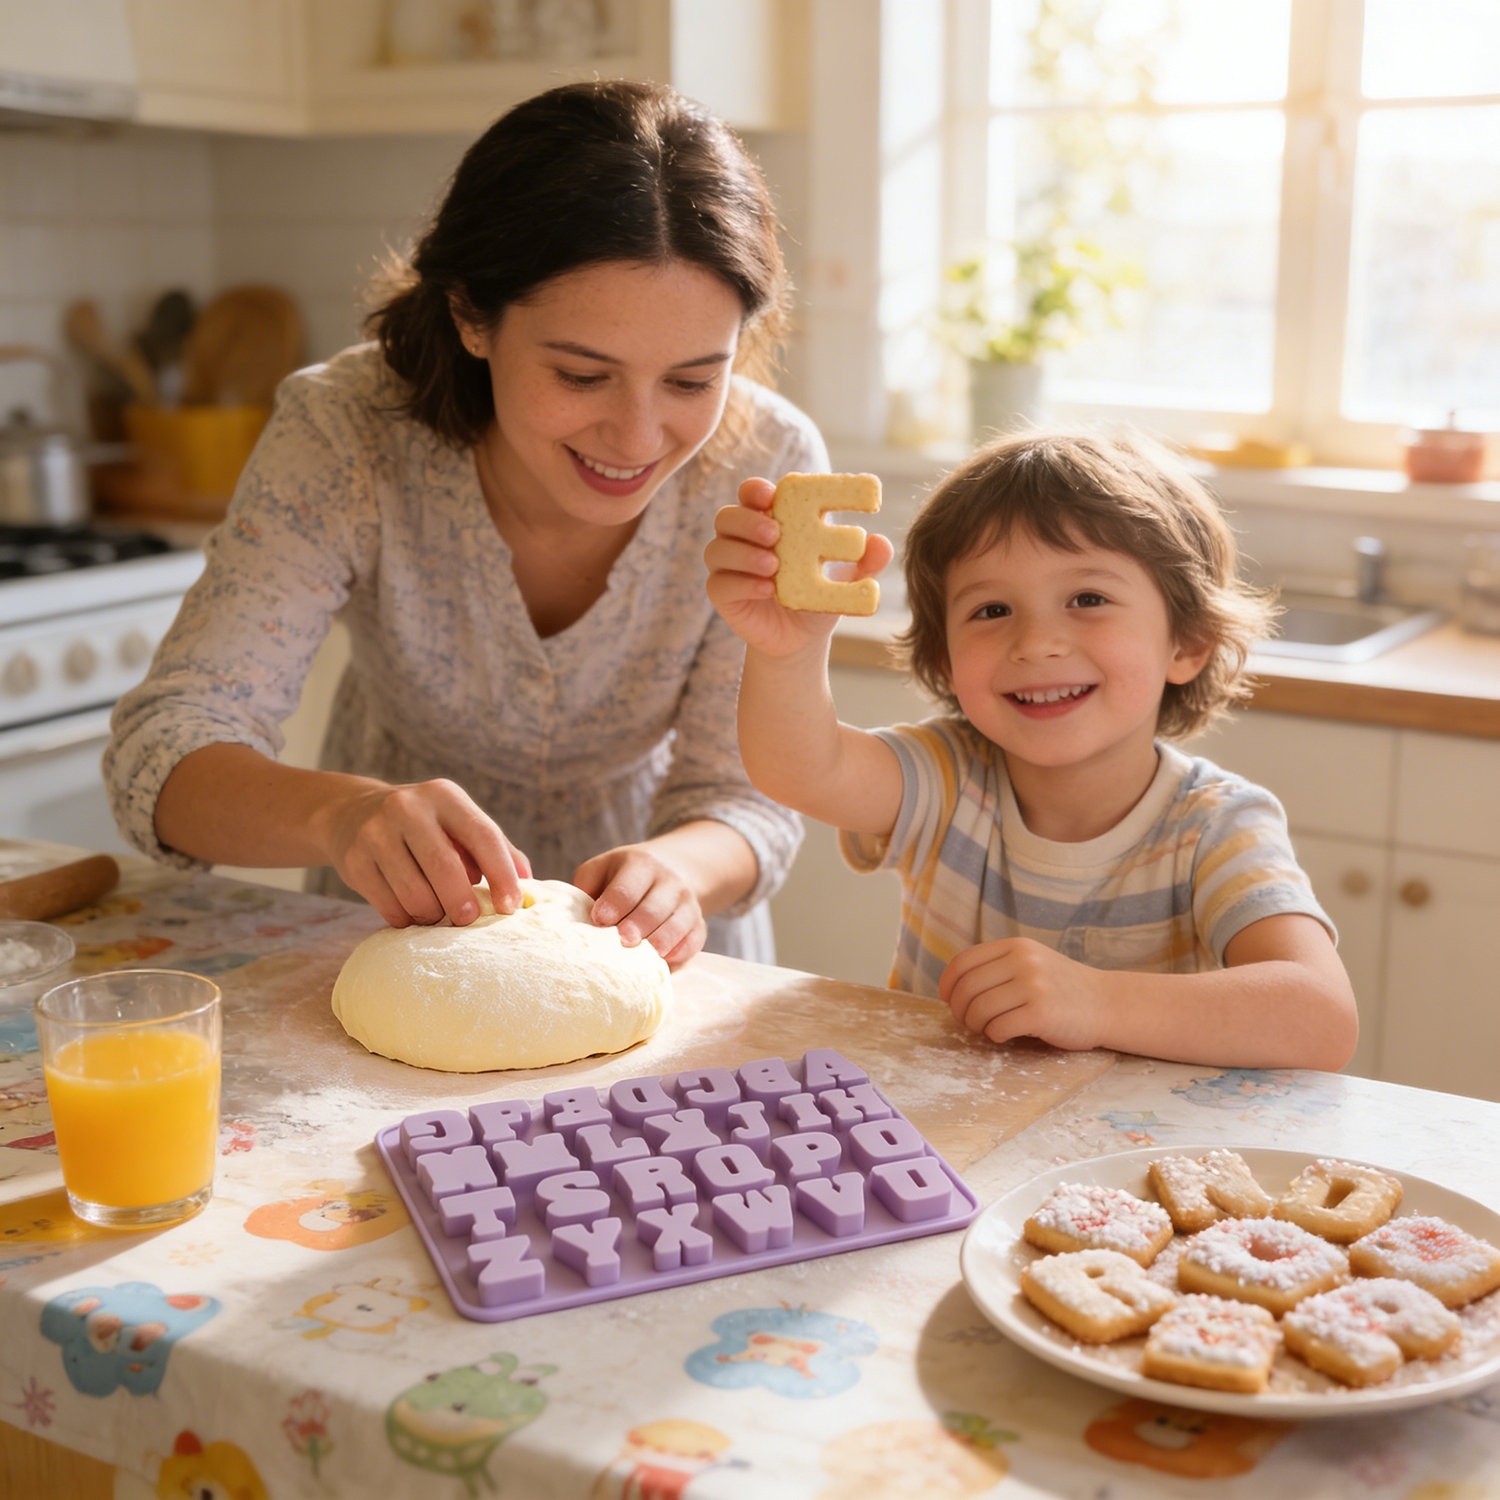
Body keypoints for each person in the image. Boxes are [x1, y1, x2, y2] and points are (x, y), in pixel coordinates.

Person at [105, 80, 827, 967]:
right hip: (388, 936)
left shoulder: (769, 462)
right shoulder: (345, 431)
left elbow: (745, 800)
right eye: (580, 375)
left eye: (690, 381)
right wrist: (343, 816)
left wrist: (677, 874)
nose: (638, 438)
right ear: (469, 316)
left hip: (659, 957)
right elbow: (162, 753)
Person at [705, 430, 1359, 1069]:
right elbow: (802, 770)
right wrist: (787, 654)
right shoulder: (948, 779)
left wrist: (1096, 1001)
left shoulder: (1216, 827)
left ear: (1187, 643)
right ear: (944, 657)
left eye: (1088, 599)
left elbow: (1321, 1017)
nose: (1037, 642)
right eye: (992, 610)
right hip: (943, 1145)